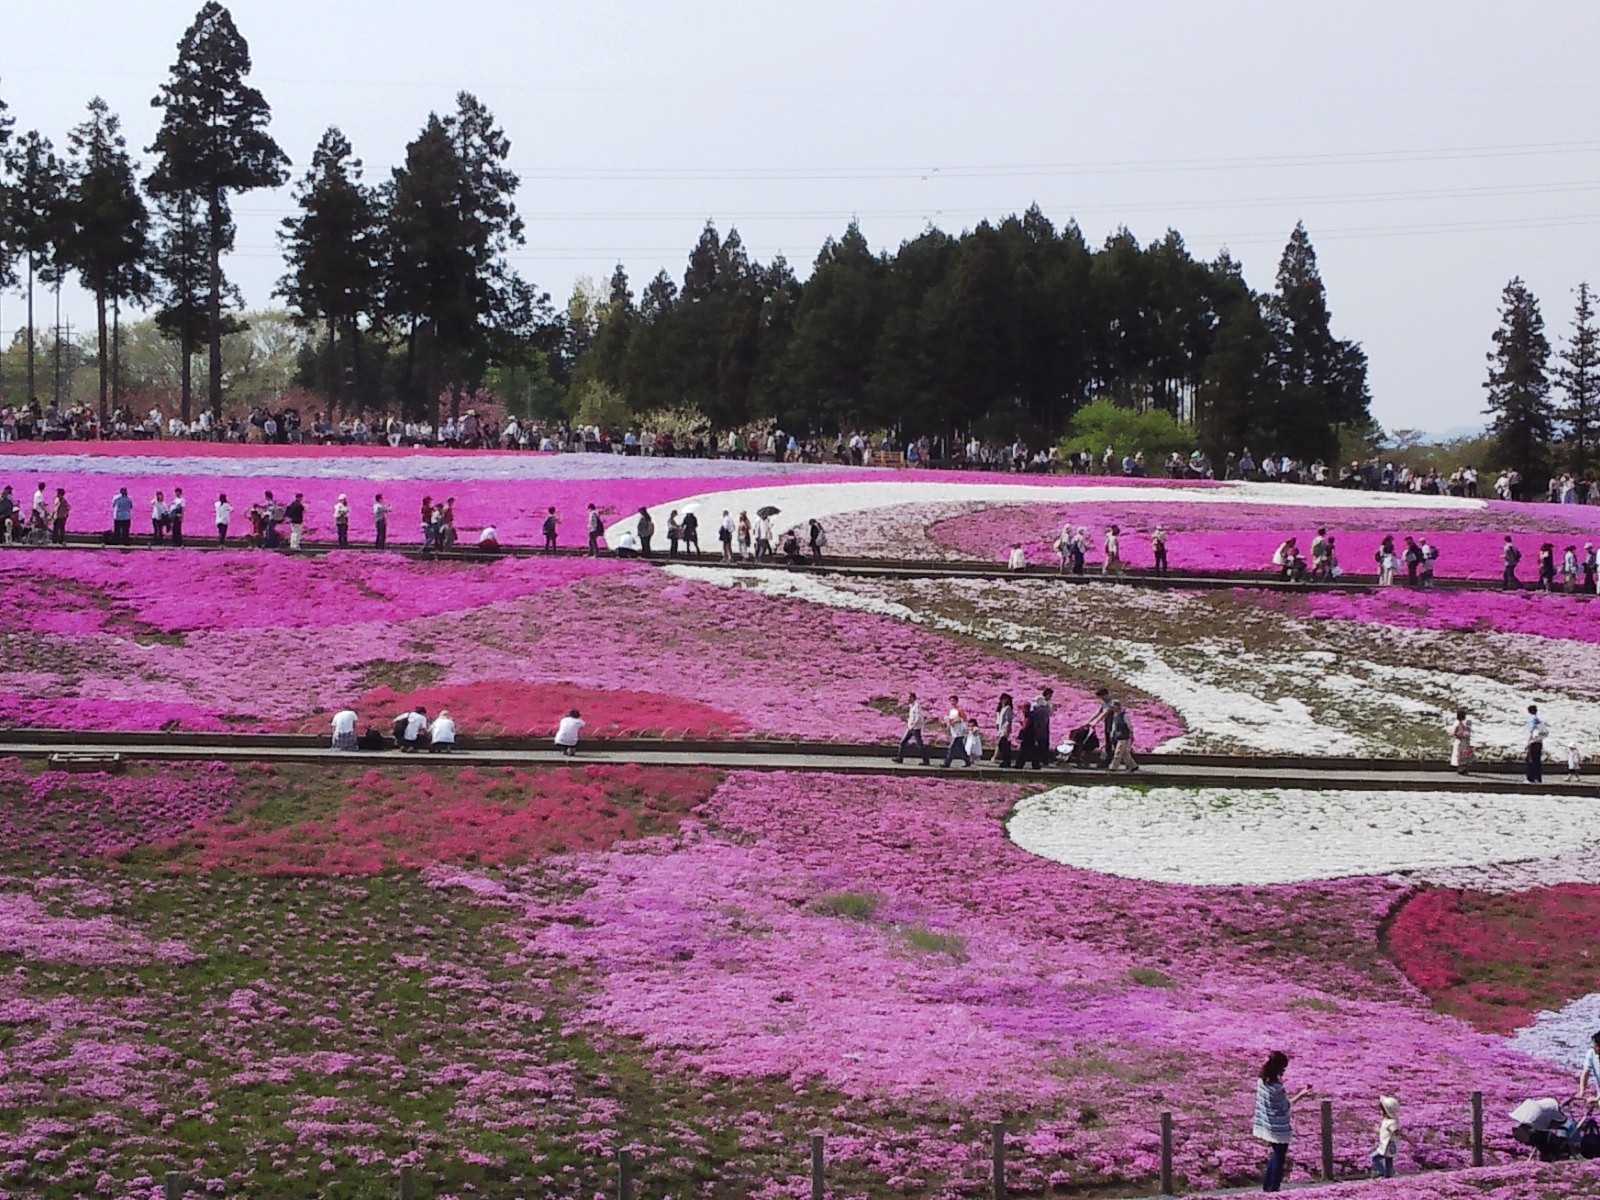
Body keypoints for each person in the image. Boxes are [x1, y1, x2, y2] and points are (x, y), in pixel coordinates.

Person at [1253, 1050, 1312, 1193]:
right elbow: (1286, 1107)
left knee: (1275, 1154)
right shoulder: (1277, 1088)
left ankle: (1267, 1187)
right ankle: (1273, 1188)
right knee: (1279, 1157)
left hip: (1266, 1124)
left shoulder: (1261, 1081)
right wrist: (1302, 1094)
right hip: (1278, 1128)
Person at [893, 692, 929, 765]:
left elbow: (918, 717)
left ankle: (926, 760)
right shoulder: (911, 706)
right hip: (910, 727)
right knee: (903, 742)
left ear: (912, 698)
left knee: (919, 744)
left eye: (908, 697)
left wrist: (913, 726)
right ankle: (900, 758)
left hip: (915, 728)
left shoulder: (917, 706)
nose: (907, 699)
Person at [1371, 1095, 1399, 1179]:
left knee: (1374, 1157)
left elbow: (1395, 1131)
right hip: (1387, 1145)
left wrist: (1408, 1139)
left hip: (1387, 1146)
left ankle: (1384, 1173)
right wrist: (1377, 1130)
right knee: (1388, 1161)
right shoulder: (1386, 1121)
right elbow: (1385, 1132)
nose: (1379, 1111)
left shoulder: (1390, 1122)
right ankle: (1388, 1176)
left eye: (1381, 1109)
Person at [1107, 701, 1138, 772]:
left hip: (1124, 736)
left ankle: (1114, 767)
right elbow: (1114, 725)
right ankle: (1133, 765)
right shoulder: (1115, 715)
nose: (1112, 708)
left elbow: (1129, 725)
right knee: (1124, 753)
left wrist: (1131, 735)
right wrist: (1112, 733)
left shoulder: (1124, 715)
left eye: (1114, 707)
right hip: (1118, 735)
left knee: (1118, 751)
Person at [942, 697, 972, 767]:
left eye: (954, 701)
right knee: (960, 748)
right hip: (954, 731)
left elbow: (963, 719)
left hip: (959, 731)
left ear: (957, 701)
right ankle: (967, 761)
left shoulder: (960, 710)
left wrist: (954, 721)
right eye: (951, 701)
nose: (952, 702)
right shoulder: (951, 710)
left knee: (952, 747)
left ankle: (947, 763)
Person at [1573, 1030, 1600, 1104]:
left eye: (1596, 1046)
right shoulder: (1591, 1053)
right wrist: (1582, 1090)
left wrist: (1597, 1098)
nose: (1593, 1047)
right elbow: (1585, 1072)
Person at [1526, 703, 1547, 784]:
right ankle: (1537, 778)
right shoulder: (1539, 721)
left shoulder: (1532, 719)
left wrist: (1528, 742)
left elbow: (1532, 731)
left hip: (1533, 742)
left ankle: (1530, 778)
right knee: (1536, 761)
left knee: (1530, 760)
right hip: (1539, 742)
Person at [1450, 708, 1473, 774]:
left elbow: (1453, 732)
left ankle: (1461, 768)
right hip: (1464, 741)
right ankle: (1463, 768)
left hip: (1459, 740)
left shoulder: (1457, 723)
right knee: (1464, 754)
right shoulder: (1466, 723)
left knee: (1459, 754)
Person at [995, 693, 1015, 768]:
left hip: (1004, 729)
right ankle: (1006, 761)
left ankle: (1006, 761)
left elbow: (1008, 720)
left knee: (1003, 745)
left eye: (1004, 699)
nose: (1002, 701)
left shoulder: (1008, 708)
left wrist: (1006, 730)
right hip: (1001, 729)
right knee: (1002, 745)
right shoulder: (1002, 708)